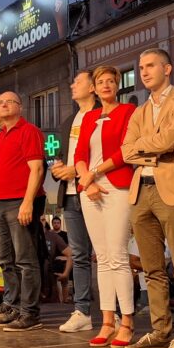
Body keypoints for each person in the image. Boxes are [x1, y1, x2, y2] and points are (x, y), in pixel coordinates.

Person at [120, 49, 174, 348]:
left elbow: (171, 140)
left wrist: (145, 148)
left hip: (173, 190)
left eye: (150, 65)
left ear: (167, 68)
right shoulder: (139, 111)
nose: (144, 71)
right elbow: (126, 151)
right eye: (140, 67)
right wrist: (151, 150)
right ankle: (160, 330)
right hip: (141, 191)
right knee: (152, 269)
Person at [74, 65, 137, 348]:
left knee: (118, 255)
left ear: (118, 85)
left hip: (117, 185)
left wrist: (94, 174)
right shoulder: (87, 118)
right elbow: (78, 154)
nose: (106, 85)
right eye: (101, 81)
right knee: (102, 256)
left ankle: (127, 322)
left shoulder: (128, 112)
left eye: (112, 81)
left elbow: (125, 150)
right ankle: (107, 321)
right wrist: (87, 181)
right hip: (90, 188)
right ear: (95, 88)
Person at [0, 90, 46, 332]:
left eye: (10, 101)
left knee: (25, 260)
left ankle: (30, 313)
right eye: (1, 102)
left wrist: (28, 202)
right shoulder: (0, 135)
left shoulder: (29, 131)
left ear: (20, 106)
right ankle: (13, 305)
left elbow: (37, 169)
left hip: (19, 201)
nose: (4, 105)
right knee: (5, 259)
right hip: (1, 202)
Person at [51, 69, 99, 333]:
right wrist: (57, 167)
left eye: (78, 81)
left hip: (96, 190)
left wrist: (77, 171)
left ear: (92, 87)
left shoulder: (102, 114)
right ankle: (82, 310)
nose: (72, 85)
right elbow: (59, 154)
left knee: (104, 254)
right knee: (79, 255)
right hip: (70, 194)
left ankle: (114, 313)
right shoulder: (68, 121)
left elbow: (107, 153)